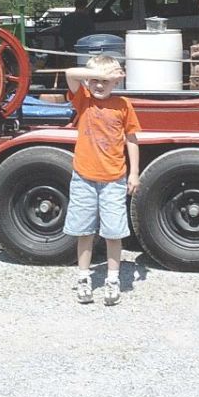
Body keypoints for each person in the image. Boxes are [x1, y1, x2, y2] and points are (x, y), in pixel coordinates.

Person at [64, 54, 141, 306]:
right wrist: (100, 74)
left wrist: (134, 173)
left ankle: (112, 279)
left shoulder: (123, 105)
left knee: (113, 232)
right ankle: (84, 277)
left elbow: (131, 139)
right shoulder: (83, 100)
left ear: (116, 82)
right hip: (84, 178)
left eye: (106, 81)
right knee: (84, 231)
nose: (99, 85)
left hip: (114, 180)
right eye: (95, 80)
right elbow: (69, 74)